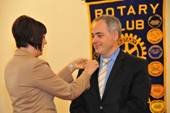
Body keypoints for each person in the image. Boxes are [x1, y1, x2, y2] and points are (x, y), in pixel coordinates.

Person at [4, 15, 99, 113]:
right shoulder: (35, 66)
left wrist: (72, 66)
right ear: (33, 38)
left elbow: (48, 85)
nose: (45, 42)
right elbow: (70, 91)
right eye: (43, 37)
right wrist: (87, 72)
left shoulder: (11, 65)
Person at [70, 15, 151, 113]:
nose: (94, 40)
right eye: (93, 36)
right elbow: (76, 106)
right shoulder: (86, 68)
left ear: (115, 35)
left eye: (99, 35)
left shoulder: (137, 65)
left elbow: (137, 104)